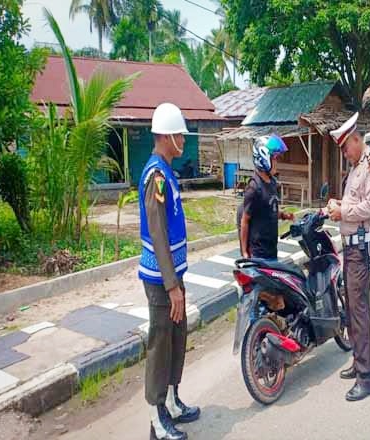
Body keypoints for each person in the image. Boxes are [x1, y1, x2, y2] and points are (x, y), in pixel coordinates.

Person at [139, 103, 200, 440]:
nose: (181, 140)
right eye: (178, 134)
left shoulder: (168, 171)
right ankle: (156, 417)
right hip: (161, 280)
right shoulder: (156, 176)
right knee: (161, 344)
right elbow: (158, 233)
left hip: (174, 277)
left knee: (178, 339)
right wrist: (172, 285)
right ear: (164, 136)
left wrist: (178, 282)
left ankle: (173, 402)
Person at [327, 112, 370, 402]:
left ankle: (366, 377)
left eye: (346, 147)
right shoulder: (357, 167)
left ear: (357, 139)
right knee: (352, 307)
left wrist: (342, 212)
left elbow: (369, 208)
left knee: (358, 312)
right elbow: (354, 202)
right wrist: (337, 205)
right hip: (351, 247)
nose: (345, 153)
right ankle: (357, 361)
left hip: (362, 249)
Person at [238, 135, 294, 261]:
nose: (276, 162)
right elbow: (245, 220)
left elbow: (269, 210)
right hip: (258, 253)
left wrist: (284, 215)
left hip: (271, 249)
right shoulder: (254, 188)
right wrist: (245, 252)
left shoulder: (272, 182)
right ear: (263, 158)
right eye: (274, 158)